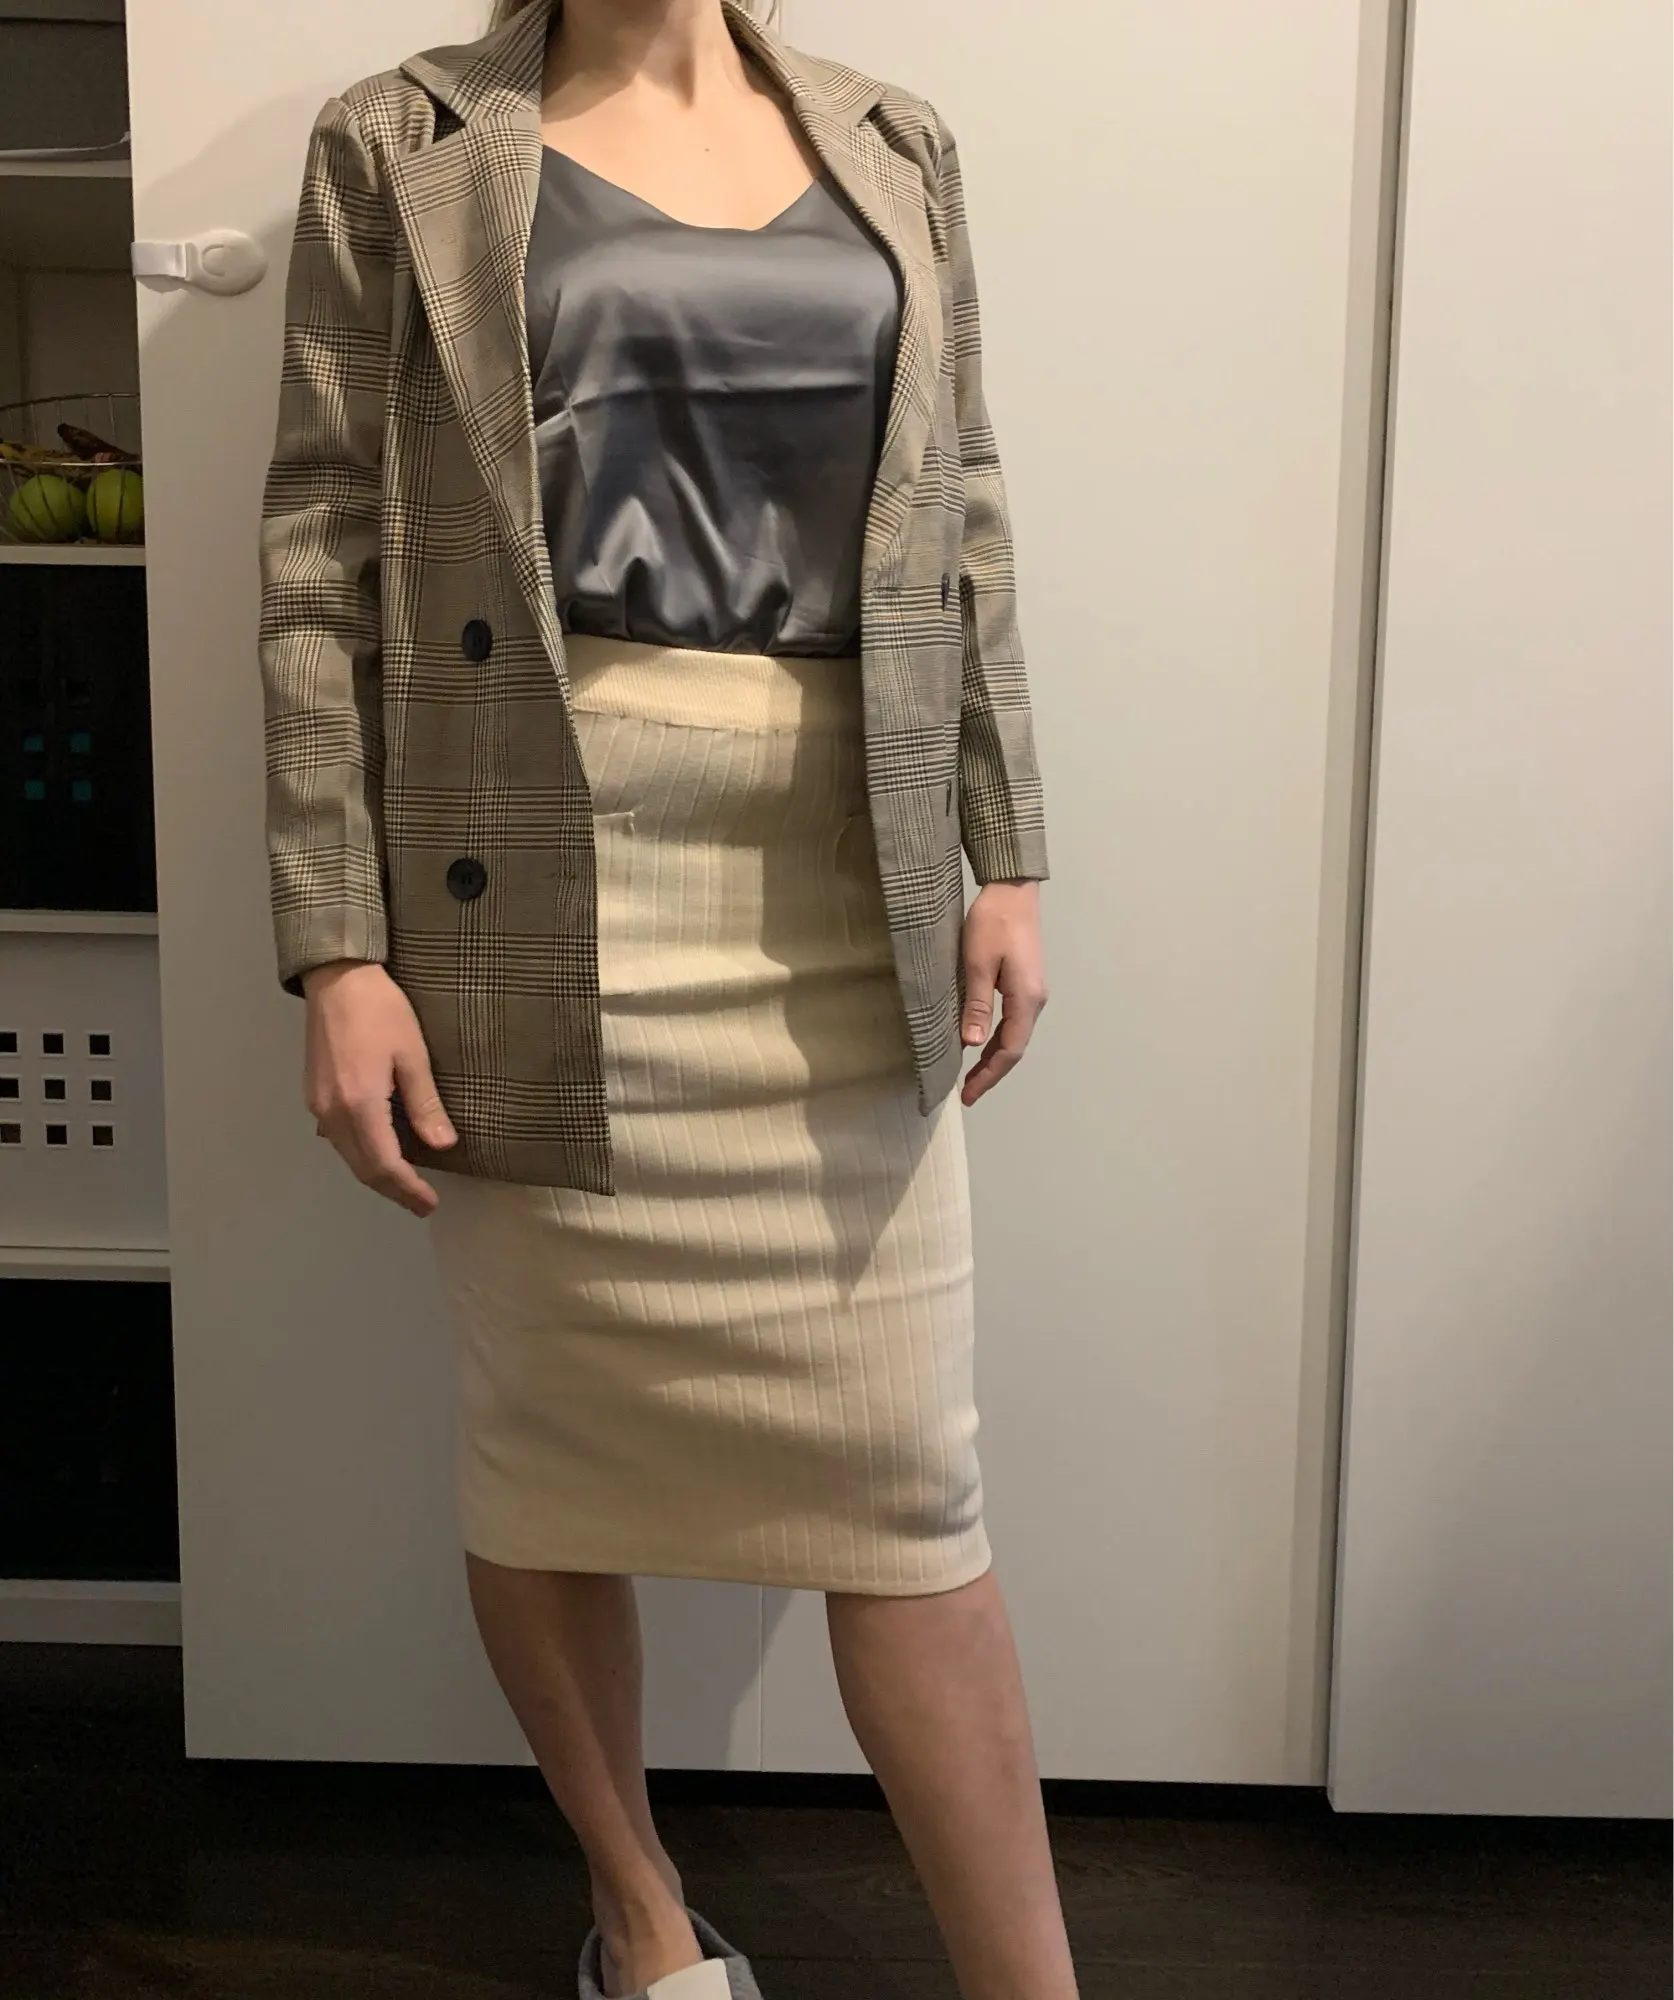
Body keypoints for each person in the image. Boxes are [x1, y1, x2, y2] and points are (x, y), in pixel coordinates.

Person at [257, 1, 1067, 1994]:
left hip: (842, 885)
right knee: (552, 1456)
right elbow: (318, 555)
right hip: (531, 880)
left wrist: (1009, 845)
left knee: (910, 1493)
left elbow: (959, 507)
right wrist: (337, 945)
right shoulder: (401, 139)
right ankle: (637, 1917)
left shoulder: (894, 142)